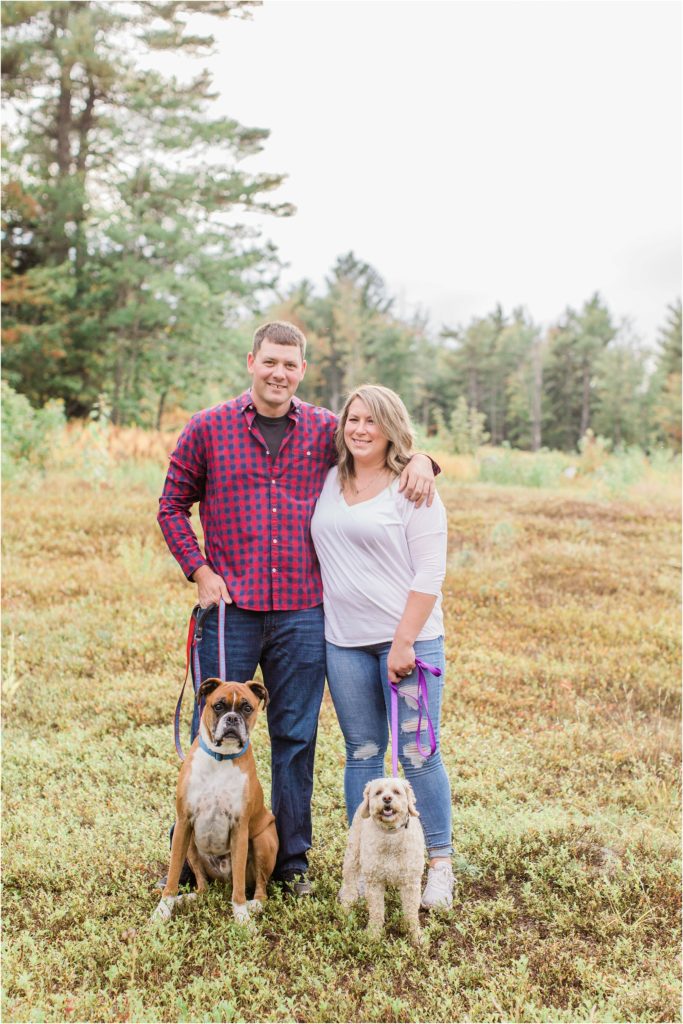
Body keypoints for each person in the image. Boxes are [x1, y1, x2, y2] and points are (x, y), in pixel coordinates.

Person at [157, 322, 436, 895]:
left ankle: (288, 863)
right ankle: (189, 860)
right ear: (252, 361)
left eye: (291, 365)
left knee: (294, 735)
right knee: (212, 728)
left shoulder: (322, 430)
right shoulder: (206, 428)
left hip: (303, 614)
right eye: (270, 362)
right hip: (231, 610)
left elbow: (375, 444)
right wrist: (200, 569)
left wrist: (423, 460)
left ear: (302, 370)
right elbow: (171, 506)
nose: (279, 373)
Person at [310, 384, 454, 909]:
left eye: (373, 421)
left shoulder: (412, 488)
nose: (361, 429)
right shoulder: (329, 477)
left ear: (392, 428)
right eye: (353, 419)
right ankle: (364, 869)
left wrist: (403, 642)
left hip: (409, 644)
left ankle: (438, 864)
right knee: (362, 753)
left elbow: (431, 571)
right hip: (344, 644)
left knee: (416, 756)